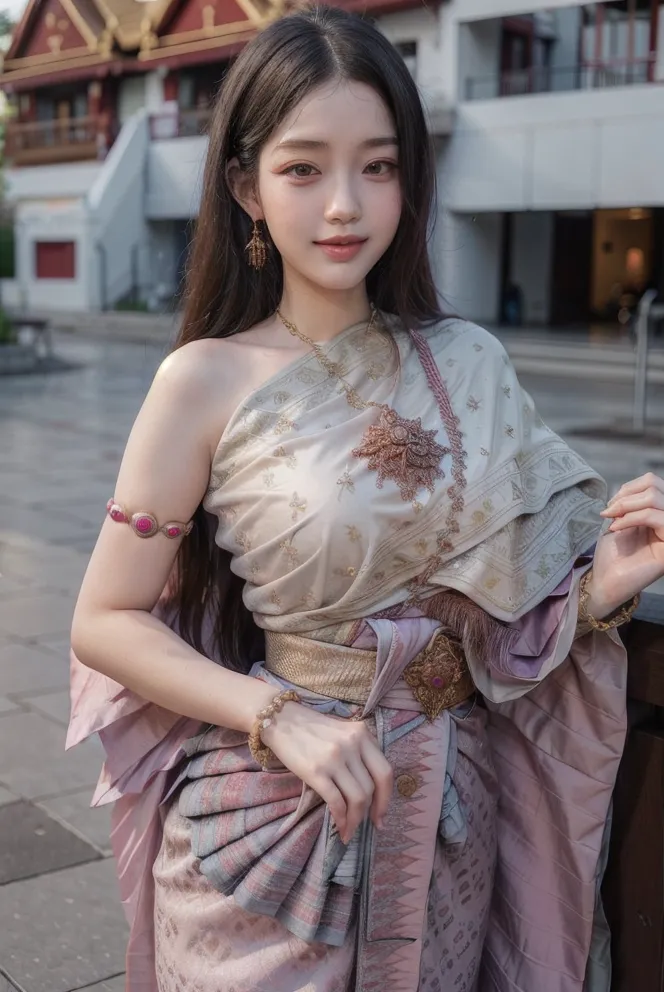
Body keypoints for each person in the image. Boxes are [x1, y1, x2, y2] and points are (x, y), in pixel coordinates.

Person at [67, 7, 664, 991]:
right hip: (273, 813)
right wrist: (275, 714)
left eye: (377, 167)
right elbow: (104, 617)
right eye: (304, 168)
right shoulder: (201, 382)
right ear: (243, 186)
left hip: (448, 810)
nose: (344, 204)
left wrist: (607, 575)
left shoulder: (466, 359)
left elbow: (506, 620)